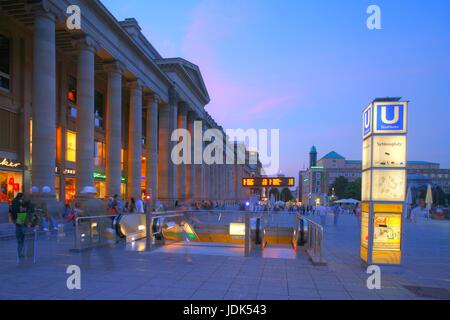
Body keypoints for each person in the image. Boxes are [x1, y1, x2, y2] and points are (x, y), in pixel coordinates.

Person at [10, 193, 26, 259]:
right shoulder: (19, 202)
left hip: (17, 218)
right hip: (20, 217)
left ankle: (20, 251)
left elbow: (12, 211)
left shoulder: (14, 201)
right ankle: (21, 252)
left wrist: (13, 218)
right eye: (22, 197)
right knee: (22, 234)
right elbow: (21, 210)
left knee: (19, 233)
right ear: (21, 197)